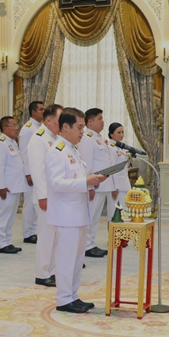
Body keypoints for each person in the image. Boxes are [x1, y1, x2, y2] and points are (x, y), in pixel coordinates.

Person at [47, 108, 109, 312]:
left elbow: (79, 180)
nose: (83, 132)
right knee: (66, 259)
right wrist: (85, 181)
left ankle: (73, 295)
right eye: (80, 127)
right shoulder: (56, 151)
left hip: (79, 213)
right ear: (65, 127)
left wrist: (93, 182)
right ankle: (64, 299)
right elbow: (56, 183)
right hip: (66, 215)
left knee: (76, 259)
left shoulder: (73, 149)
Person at [29, 104, 63, 286]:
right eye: (59, 121)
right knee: (46, 236)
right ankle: (42, 273)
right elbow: (38, 170)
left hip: (56, 196)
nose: (62, 125)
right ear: (48, 121)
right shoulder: (39, 139)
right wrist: (43, 196)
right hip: (45, 197)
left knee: (55, 237)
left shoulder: (55, 138)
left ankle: (50, 270)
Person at [79, 108, 117, 256]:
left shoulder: (98, 138)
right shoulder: (87, 138)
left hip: (103, 184)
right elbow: (86, 164)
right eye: (100, 118)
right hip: (94, 184)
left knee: (95, 217)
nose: (103, 121)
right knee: (91, 215)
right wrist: (90, 187)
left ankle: (91, 243)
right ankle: (87, 245)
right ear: (90, 121)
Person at [0, 115, 27, 254]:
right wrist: (1, 186)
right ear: (5, 128)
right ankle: (1, 243)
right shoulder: (0, 143)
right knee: (3, 216)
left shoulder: (12, 142)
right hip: (6, 188)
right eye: (13, 125)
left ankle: (7, 241)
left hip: (15, 186)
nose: (17, 127)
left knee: (11, 216)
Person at [19, 101, 44, 244]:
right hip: (31, 172)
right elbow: (24, 152)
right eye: (40, 109)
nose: (43, 111)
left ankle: (34, 230)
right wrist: (27, 173)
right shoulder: (28, 129)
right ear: (33, 112)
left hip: (38, 171)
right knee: (29, 203)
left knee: (37, 201)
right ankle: (28, 233)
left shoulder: (39, 127)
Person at [106, 123, 133, 217]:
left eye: (122, 132)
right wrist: (114, 187)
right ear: (111, 134)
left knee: (125, 211)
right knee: (116, 212)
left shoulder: (119, 147)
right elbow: (111, 169)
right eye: (118, 132)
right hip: (116, 186)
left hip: (124, 184)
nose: (121, 135)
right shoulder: (110, 148)